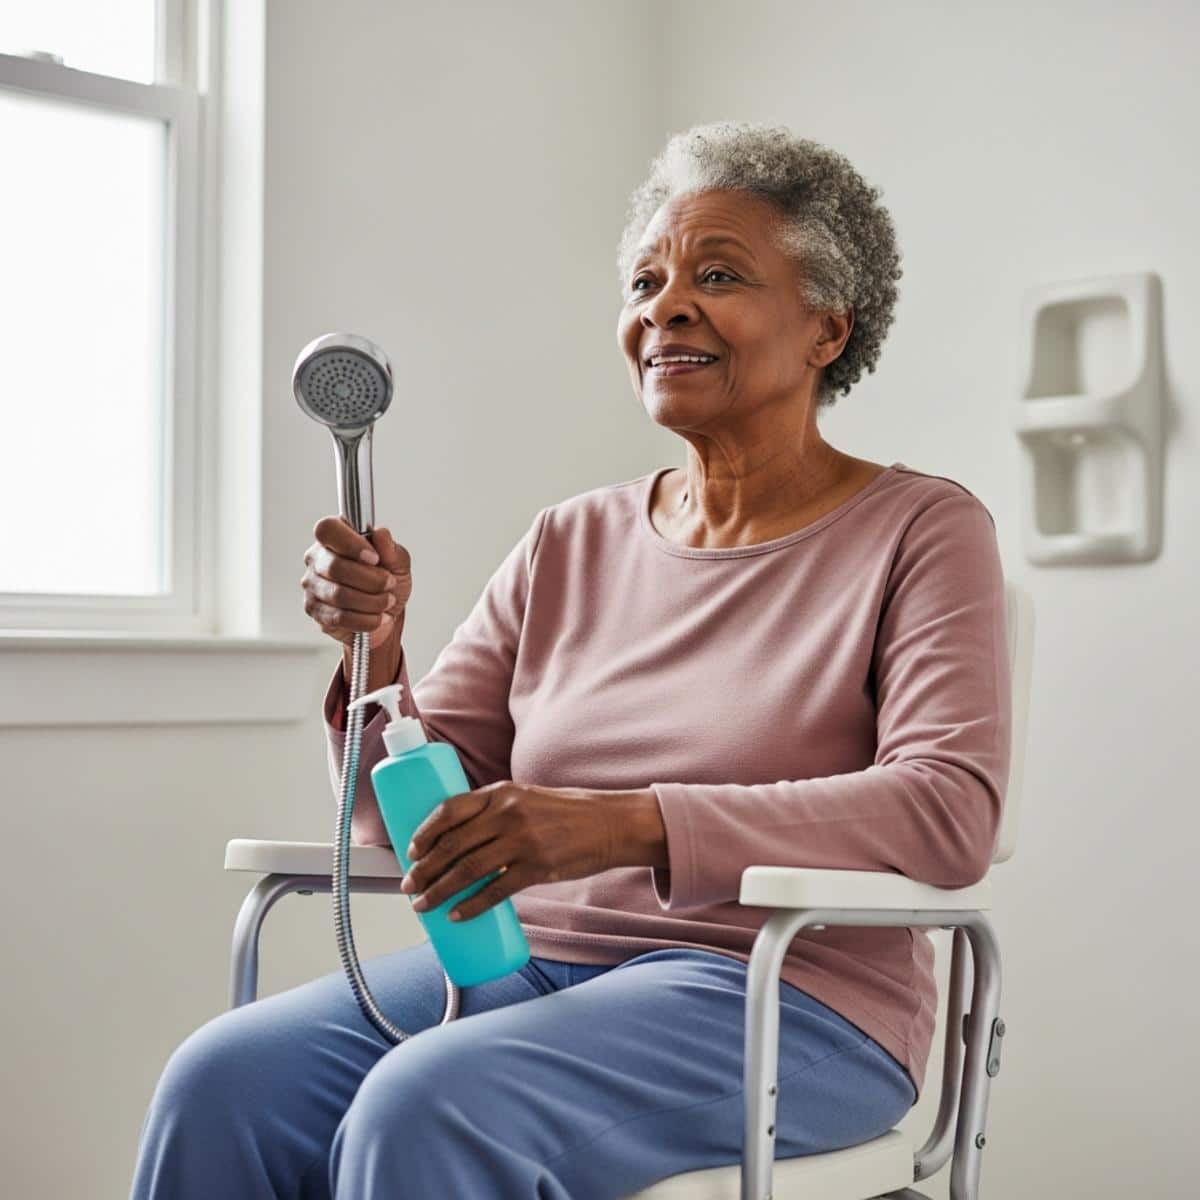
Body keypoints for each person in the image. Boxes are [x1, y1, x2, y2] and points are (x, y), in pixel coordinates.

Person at [130, 120, 1011, 1199]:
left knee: (428, 1107)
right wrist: (379, 651)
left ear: (828, 327)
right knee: (221, 1080)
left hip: (783, 993)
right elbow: (392, 811)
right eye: (646, 280)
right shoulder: (569, 539)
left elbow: (948, 808)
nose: (665, 306)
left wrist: (626, 822)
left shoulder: (920, 529)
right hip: (520, 970)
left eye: (719, 275)